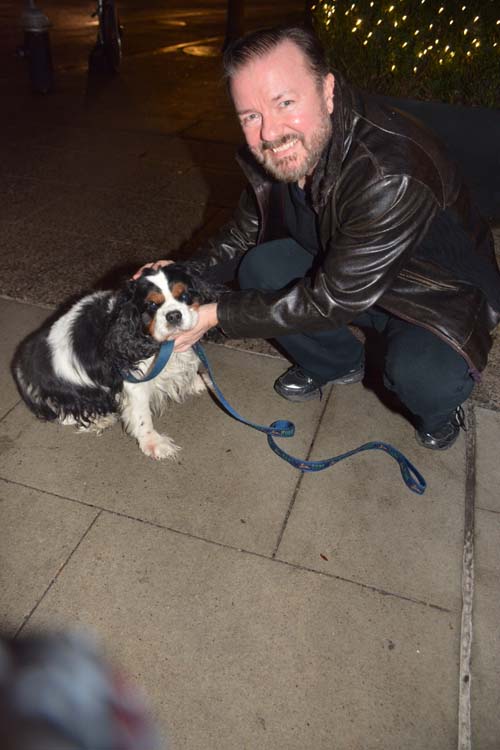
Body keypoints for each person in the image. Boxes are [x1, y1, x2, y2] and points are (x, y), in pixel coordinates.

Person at [138, 24, 500, 451]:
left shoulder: (389, 172)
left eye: (285, 102)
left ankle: (440, 410)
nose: (269, 133)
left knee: (421, 376)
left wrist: (215, 315)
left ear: (327, 91)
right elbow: (243, 232)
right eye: (250, 116)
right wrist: (179, 275)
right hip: (344, 275)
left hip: (434, 296)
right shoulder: (278, 149)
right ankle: (339, 362)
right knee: (261, 266)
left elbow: (332, 300)